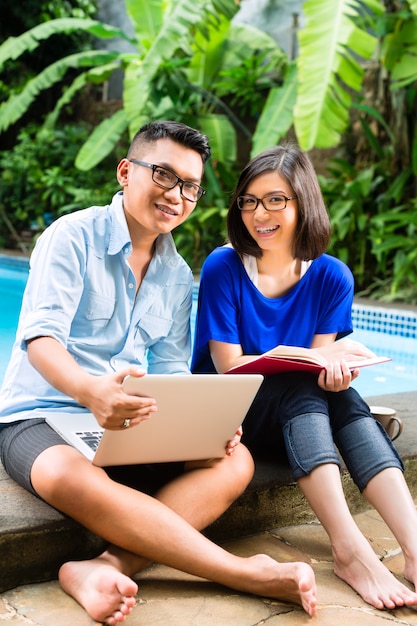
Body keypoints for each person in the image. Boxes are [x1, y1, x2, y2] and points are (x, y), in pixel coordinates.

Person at [0, 123, 318, 624]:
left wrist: (200, 426)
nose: (177, 195)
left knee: (234, 461)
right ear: (127, 172)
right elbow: (41, 340)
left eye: (190, 186)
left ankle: (105, 566)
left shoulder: (176, 274)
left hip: (128, 422)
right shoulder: (72, 236)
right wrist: (90, 391)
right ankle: (236, 571)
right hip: (42, 417)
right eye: (164, 176)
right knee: (64, 473)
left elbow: (170, 371)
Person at [192, 142, 417, 611]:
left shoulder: (332, 276)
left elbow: (317, 372)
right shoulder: (224, 266)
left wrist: (335, 372)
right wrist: (303, 359)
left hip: (298, 423)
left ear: (303, 203)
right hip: (230, 420)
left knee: (345, 399)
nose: (260, 213)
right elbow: (228, 368)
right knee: (298, 385)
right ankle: (350, 549)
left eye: (276, 199)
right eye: (249, 201)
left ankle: (414, 549)